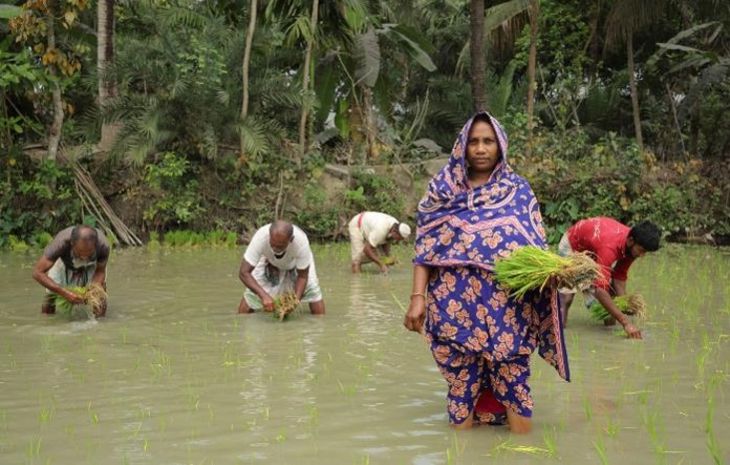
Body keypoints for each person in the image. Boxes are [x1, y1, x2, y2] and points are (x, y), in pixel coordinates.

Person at [403, 112, 569, 434]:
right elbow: (425, 250)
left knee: (514, 381)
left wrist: (554, 273)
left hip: (506, 308)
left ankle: (524, 454)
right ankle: (462, 452)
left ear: (500, 146)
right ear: (462, 146)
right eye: (474, 141)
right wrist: (417, 298)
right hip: (454, 306)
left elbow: (535, 248)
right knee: (461, 385)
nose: (480, 148)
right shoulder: (442, 190)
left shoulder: (518, 190)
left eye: (488, 141)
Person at [558, 217, 661, 339]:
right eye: (641, 250)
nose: (642, 255)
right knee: (567, 297)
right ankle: (558, 334)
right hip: (573, 246)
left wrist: (624, 303)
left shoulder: (631, 246)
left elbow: (619, 277)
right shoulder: (610, 247)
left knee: (610, 304)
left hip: (594, 252)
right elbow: (600, 290)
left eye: (645, 252)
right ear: (631, 241)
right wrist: (626, 322)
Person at [237, 220, 325, 315]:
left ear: (291, 239)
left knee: (313, 290)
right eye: (272, 244)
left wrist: (295, 301)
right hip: (268, 259)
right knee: (250, 297)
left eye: (280, 246)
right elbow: (243, 273)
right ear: (269, 236)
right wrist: (263, 296)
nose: (275, 249)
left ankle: (320, 325)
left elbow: (303, 277)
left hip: (296, 262)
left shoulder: (301, 243)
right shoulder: (260, 238)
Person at [31, 225, 109, 317]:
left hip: (91, 265)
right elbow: (37, 273)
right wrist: (64, 293)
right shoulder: (60, 243)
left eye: (89, 253)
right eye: (80, 253)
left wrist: (91, 291)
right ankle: (47, 321)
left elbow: (100, 272)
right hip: (65, 263)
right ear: (72, 243)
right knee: (50, 296)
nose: (84, 257)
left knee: (99, 295)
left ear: (95, 245)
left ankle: (100, 325)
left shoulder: (103, 246)